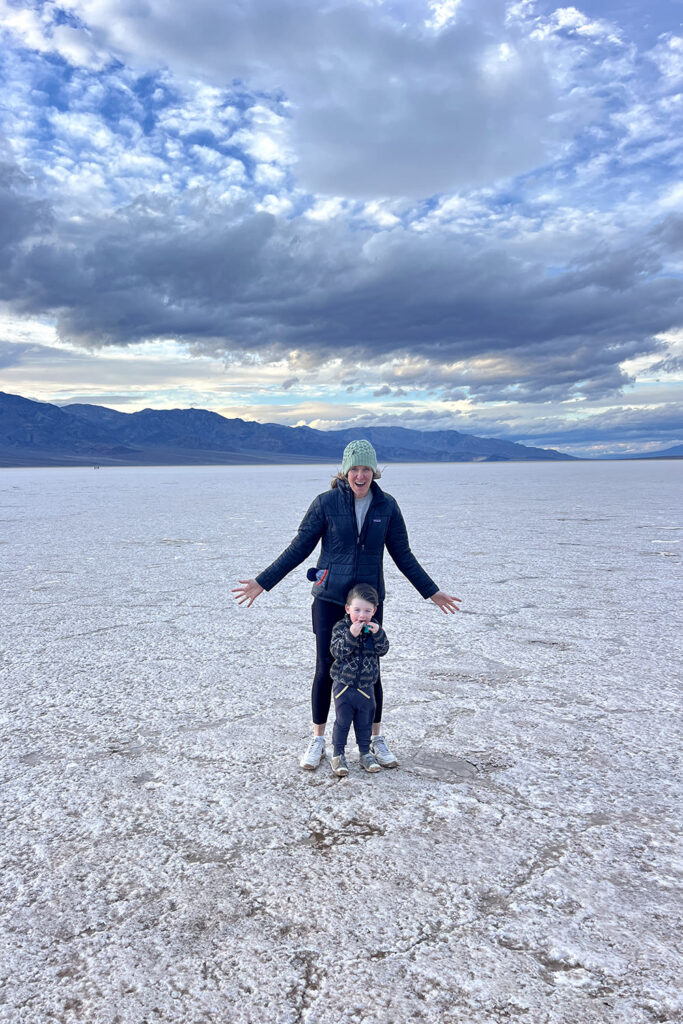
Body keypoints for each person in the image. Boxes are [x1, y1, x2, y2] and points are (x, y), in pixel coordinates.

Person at [232, 438, 461, 770]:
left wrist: (431, 591)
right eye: (354, 469)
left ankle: (376, 739)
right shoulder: (325, 503)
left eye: (366, 469)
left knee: (371, 670)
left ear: (374, 472)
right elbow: (299, 548)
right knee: (325, 667)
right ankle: (318, 740)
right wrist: (262, 582)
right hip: (329, 600)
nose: (360, 476)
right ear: (344, 472)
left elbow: (404, 556)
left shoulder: (387, 507)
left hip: (367, 603)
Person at [329, 584, 389, 777]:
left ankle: (365, 753)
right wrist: (351, 635)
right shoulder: (341, 627)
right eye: (357, 610)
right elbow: (337, 651)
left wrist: (378, 634)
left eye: (367, 611)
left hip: (366, 686)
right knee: (343, 721)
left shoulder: (374, 628)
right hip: (344, 686)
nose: (362, 615)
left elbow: (383, 650)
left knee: (365, 722)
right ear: (348, 609)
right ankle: (338, 754)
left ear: (374, 611)